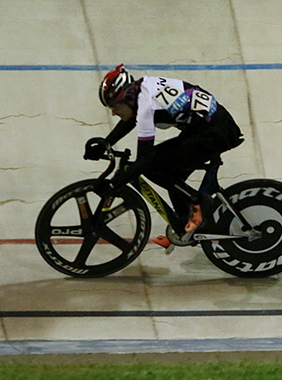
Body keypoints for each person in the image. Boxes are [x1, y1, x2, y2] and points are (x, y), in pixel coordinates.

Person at [85, 64, 244, 246]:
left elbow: (144, 160)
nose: (113, 113)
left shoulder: (146, 107)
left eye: (114, 107)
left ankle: (198, 202)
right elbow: (130, 118)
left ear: (126, 98)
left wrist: (114, 184)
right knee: (172, 178)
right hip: (210, 127)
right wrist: (107, 142)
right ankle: (187, 224)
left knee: (152, 166)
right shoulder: (143, 89)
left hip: (214, 133)